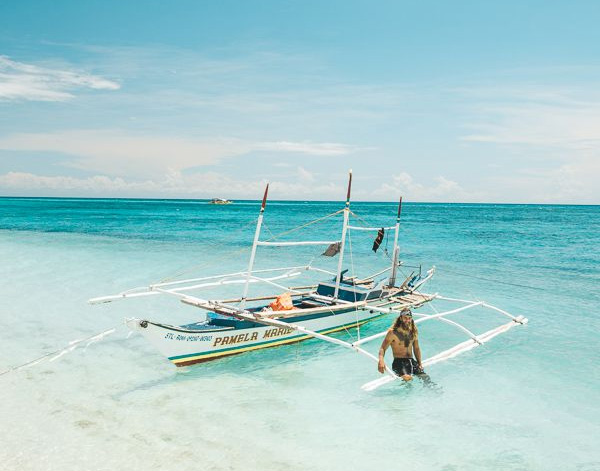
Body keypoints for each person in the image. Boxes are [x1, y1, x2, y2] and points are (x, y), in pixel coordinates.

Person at [377, 309, 424, 381]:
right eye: (405, 318)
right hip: (399, 363)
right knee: (408, 379)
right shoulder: (392, 332)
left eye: (409, 318)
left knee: (425, 377)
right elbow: (383, 348)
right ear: (401, 318)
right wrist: (381, 361)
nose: (407, 320)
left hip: (411, 361)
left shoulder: (413, 331)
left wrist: (419, 363)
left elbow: (416, 348)